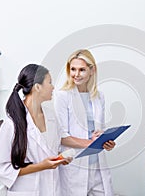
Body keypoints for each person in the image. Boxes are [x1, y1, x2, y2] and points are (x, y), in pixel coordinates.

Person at [0, 64, 71, 196]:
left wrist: (61, 158)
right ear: (38, 87)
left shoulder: (51, 116)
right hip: (27, 191)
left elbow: (51, 148)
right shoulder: (11, 125)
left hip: (53, 188)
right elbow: (2, 169)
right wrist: (41, 166)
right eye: (50, 82)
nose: (53, 87)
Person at [54, 49, 116, 196]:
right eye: (73, 69)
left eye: (82, 70)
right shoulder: (62, 96)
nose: (76, 74)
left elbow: (99, 130)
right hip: (75, 165)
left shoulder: (98, 96)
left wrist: (106, 142)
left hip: (97, 165)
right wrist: (91, 143)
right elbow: (61, 136)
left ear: (92, 70)